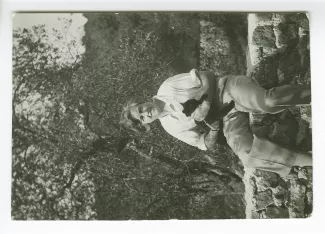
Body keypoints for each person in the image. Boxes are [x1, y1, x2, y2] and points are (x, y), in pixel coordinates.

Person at [120, 69, 312, 176]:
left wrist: (206, 103)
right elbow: (203, 144)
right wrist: (213, 129)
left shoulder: (167, 87)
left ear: (142, 102)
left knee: (266, 102)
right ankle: (312, 161)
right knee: (247, 156)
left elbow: (208, 76)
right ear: (146, 124)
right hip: (227, 119)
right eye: (143, 118)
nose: (146, 113)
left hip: (226, 90)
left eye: (141, 110)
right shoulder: (170, 127)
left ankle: (315, 92)